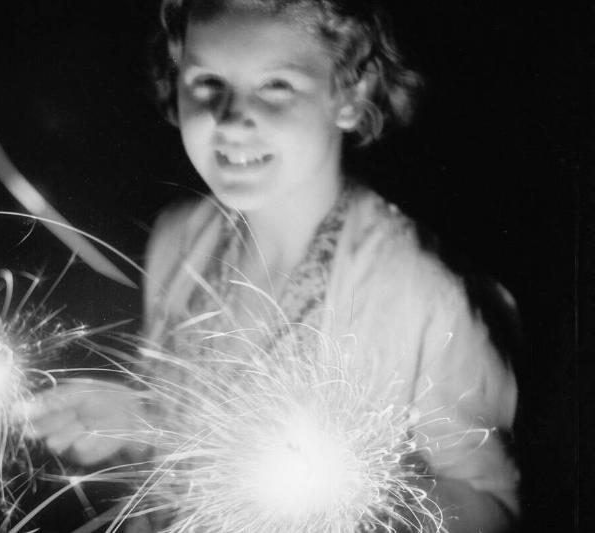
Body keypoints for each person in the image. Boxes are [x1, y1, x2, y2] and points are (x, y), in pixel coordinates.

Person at [29, 1, 520, 531]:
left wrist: (366, 502)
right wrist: (139, 424)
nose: (231, 119)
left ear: (350, 93)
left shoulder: (422, 293)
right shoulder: (180, 239)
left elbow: (495, 507)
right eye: (208, 82)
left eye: (276, 86)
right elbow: (189, 464)